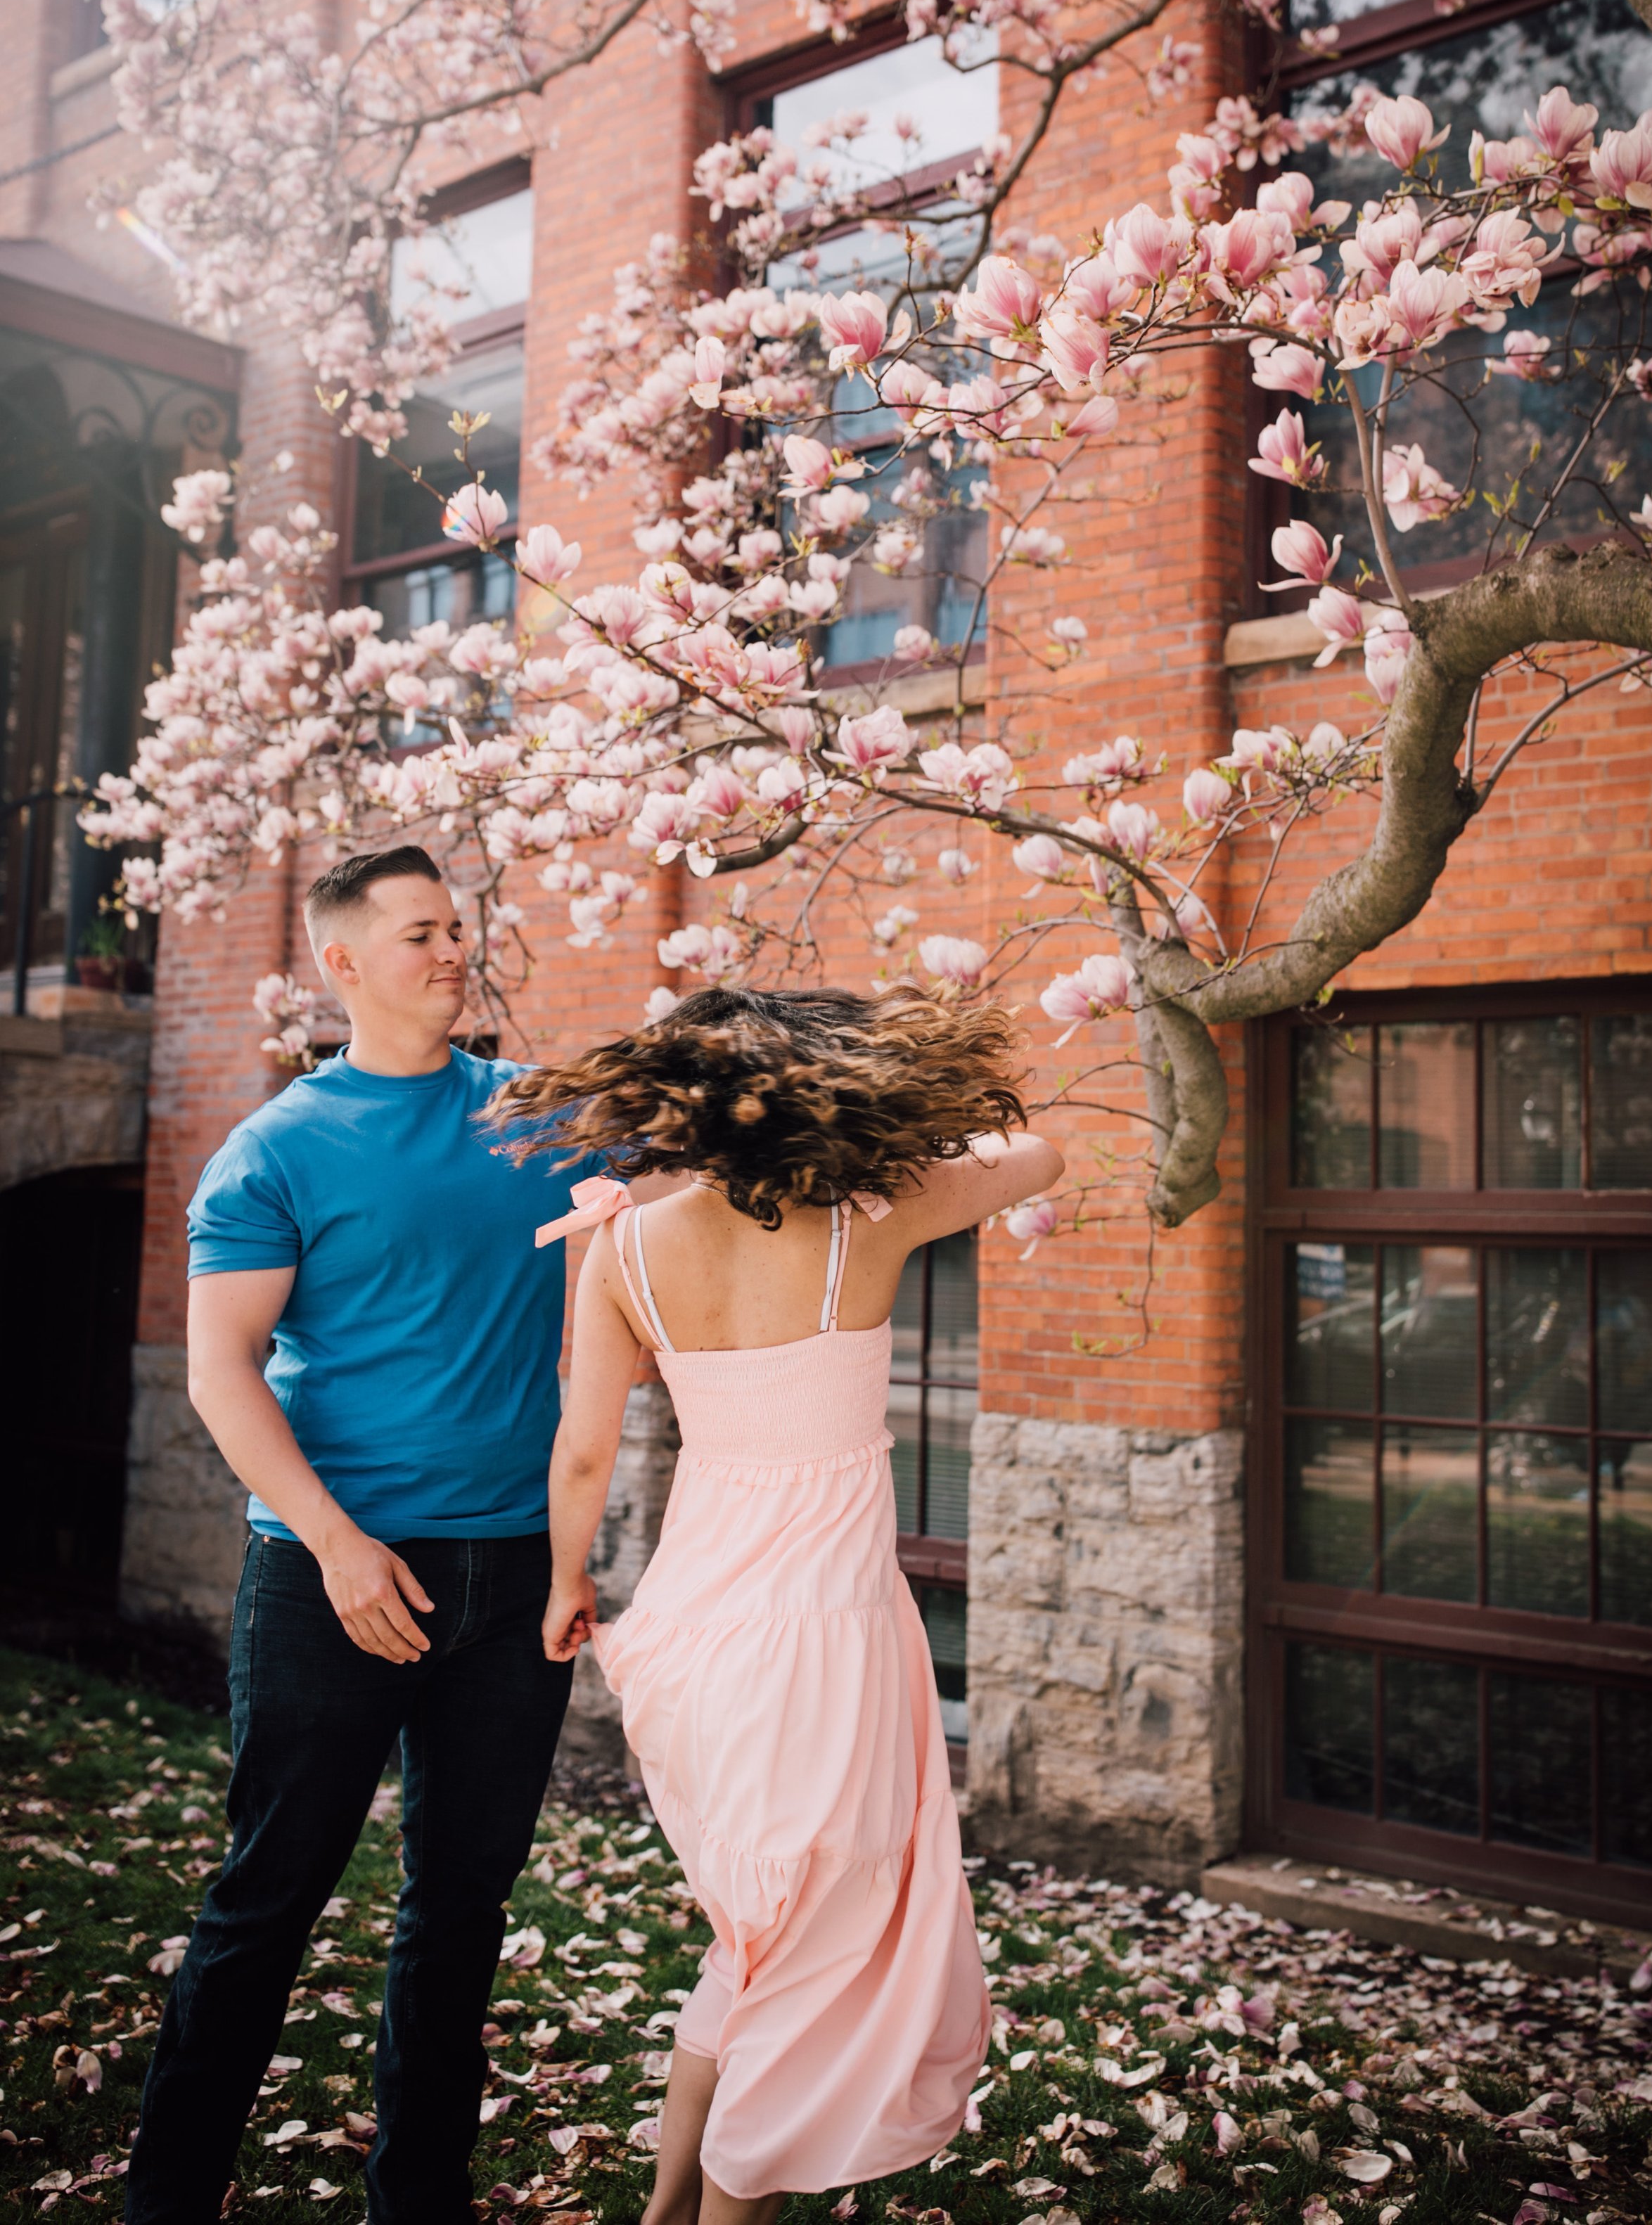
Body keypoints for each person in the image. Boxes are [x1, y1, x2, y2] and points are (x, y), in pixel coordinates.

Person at [491, 983, 1064, 2225]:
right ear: (808, 1088)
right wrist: (893, 1133)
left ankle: (664, 2212)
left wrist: (566, 1582)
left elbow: (583, 1451)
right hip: (825, 1644)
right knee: (805, 1956)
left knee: (755, 1942)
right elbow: (1042, 1152)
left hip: (698, 1630)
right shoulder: (872, 1211)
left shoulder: (625, 1244)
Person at [126, 845, 615, 2225]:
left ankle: (421, 2202)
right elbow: (223, 1370)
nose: (452, 952)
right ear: (343, 965)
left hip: (511, 1579)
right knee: (265, 1902)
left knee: (459, 1912)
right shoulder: (277, 1149)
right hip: (326, 1579)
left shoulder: (536, 1116)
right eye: (420, 935)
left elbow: (711, 1143)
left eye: (456, 928)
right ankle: (166, 2200)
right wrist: (337, 1545)